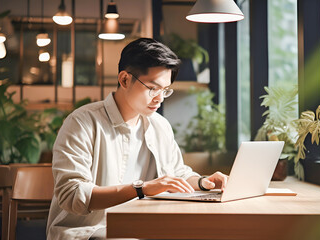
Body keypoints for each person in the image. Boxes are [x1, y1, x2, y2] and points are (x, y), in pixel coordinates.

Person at [46, 38, 228, 240]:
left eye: (165, 90)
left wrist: (204, 182)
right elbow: (72, 194)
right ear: (124, 80)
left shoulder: (160, 125)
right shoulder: (82, 122)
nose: (159, 98)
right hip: (89, 231)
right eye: (152, 88)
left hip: (145, 226)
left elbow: (176, 174)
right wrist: (141, 189)